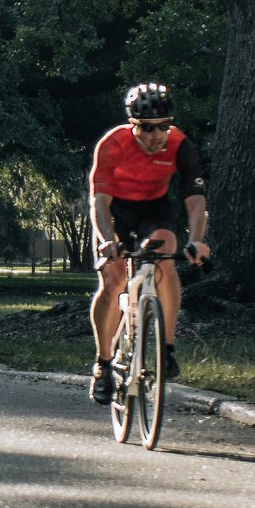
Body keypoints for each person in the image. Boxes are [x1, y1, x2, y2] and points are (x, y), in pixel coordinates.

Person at [87, 83, 208, 404]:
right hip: (116, 212)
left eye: (163, 126)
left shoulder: (181, 145)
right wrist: (107, 241)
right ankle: (103, 364)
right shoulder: (112, 144)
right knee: (113, 279)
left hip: (153, 209)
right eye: (147, 127)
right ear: (133, 125)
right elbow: (99, 202)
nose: (157, 135)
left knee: (166, 254)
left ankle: (166, 349)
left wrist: (197, 242)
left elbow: (196, 202)